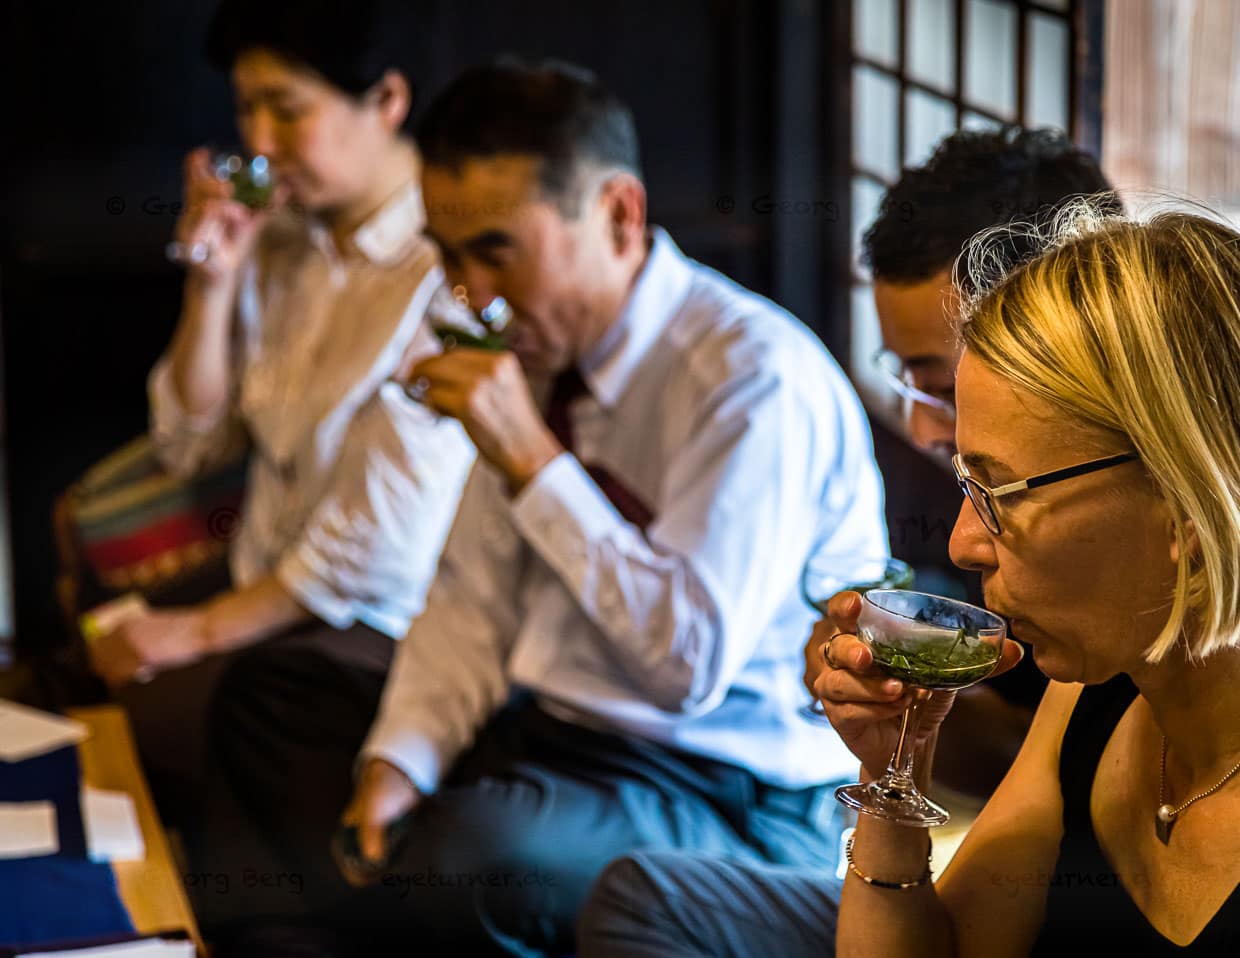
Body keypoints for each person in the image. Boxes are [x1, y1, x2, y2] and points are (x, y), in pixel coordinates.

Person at [200, 59, 889, 956]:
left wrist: (531, 456)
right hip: (554, 735)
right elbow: (468, 601)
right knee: (274, 697)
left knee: (478, 857)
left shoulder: (752, 380)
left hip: (730, 787)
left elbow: (687, 669)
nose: (470, 296)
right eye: (447, 256)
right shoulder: (527, 353)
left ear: (617, 215)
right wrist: (396, 765)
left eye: (495, 251)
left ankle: (377, 905)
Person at [600, 205, 1240, 956]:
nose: (966, 544)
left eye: (999, 495)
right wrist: (891, 771)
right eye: (966, 486)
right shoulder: (1094, 692)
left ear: (1182, 510)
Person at [86, 0, 474, 831]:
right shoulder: (284, 239)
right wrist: (214, 281)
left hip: (373, 628)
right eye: (245, 109)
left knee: (126, 732)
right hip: (265, 587)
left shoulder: (450, 265)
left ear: (388, 101)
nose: (259, 141)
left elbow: (374, 551)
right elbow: (189, 444)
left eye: (288, 109)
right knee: (78, 671)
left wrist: (193, 634)